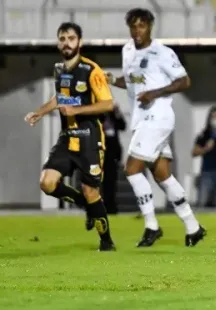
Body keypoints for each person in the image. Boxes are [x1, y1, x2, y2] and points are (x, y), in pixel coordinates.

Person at [106, 8, 206, 247]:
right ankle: (193, 227)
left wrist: (156, 92)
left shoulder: (162, 52)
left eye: (141, 25)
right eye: (133, 25)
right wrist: (111, 80)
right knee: (162, 175)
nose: (137, 30)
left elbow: (184, 81)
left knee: (131, 169)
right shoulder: (127, 50)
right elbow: (132, 84)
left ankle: (152, 225)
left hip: (159, 117)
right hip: (141, 119)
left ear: (150, 26)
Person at [24, 22, 116, 251]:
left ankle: (106, 242)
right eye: (62, 38)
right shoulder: (59, 70)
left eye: (71, 38)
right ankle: (86, 205)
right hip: (67, 137)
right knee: (47, 183)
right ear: (58, 43)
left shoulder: (91, 70)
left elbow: (108, 104)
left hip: (89, 138)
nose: (67, 43)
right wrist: (40, 112)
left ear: (80, 43)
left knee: (91, 191)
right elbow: (59, 98)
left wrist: (76, 111)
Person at [101, 105, 127, 214]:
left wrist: (117, 113)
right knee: (101, 180)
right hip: (101, 150)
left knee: (111, 180)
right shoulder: (97, 114)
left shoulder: (113, 115)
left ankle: (111, 205)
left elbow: (123, 126)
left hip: (112, 151)